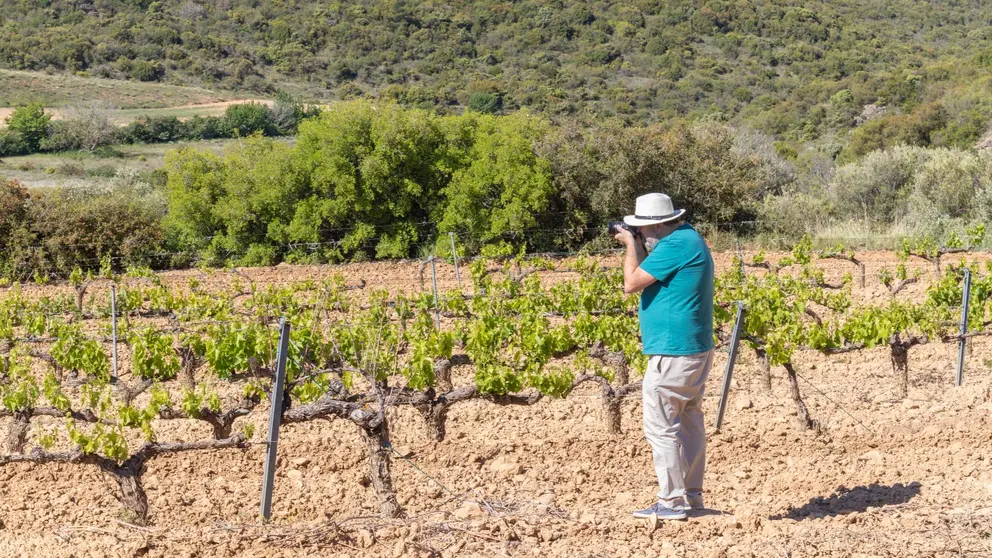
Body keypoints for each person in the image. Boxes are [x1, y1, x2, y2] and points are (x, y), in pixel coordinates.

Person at [613, 192, 715, 521]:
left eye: (644, 228)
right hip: (692, 347)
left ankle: (671, 502)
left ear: (657, 224)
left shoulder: (674, 246)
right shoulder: (688, 239)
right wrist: (638, 241)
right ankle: (691, 498)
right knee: (688, 422)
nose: (642, 233)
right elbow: (648, 272)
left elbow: (632, 282)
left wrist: (630, 244)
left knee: (661, 426)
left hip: (674, 352)